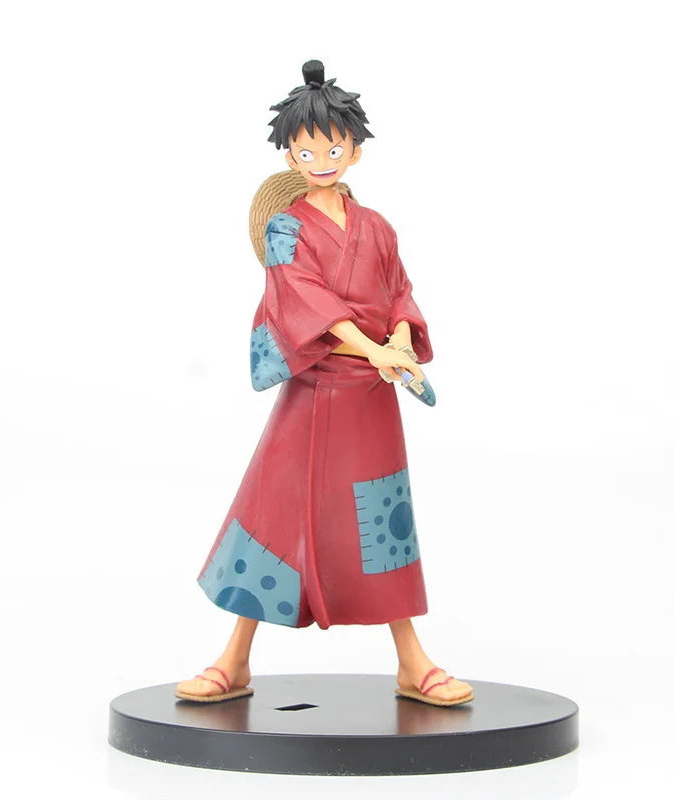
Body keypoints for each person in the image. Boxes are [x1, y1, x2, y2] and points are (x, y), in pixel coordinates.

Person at [176, 60, 473, 707]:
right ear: (289, 154)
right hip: (312, 394)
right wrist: (373, 347)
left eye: (332, 148)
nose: (319, 160)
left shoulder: (378, 228)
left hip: (370, 399)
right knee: (272, 512)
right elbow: (305, 302)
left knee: (383, 524)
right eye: (305, 150)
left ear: (354, 151)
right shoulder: (285, 229)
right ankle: (234, 659)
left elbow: (399, 291)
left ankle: (411, 661)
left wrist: (399, 341)